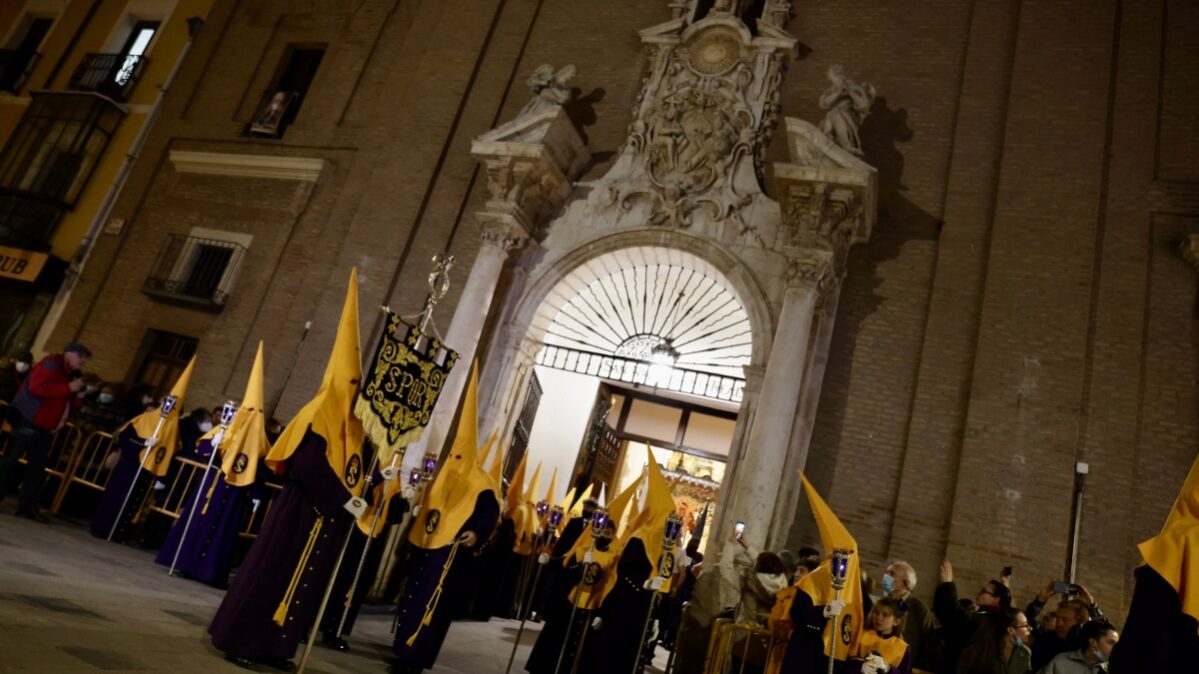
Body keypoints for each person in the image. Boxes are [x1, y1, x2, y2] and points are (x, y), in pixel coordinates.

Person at [0, 343, 89, 521]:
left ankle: (27, 507)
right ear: (69, 354)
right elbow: (36, 387)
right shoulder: (51, 364)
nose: (83, 361)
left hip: (45, 426)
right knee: (10, 459)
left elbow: (66, 407)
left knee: (37, 468)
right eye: (81, 356)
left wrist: (78, 397)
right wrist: (68, 389)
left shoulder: (69, 375)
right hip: (29, 418)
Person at [526, 519, 621, 674]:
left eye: (608, 533)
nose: (604, 535)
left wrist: (603, 611)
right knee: (557, 640)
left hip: (592, 605)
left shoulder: (614, 558)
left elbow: (611, 585)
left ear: (613, 536)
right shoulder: (583, 550)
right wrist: (549, 560)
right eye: (602, 531)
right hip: (571, 600)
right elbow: (564, 564)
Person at [932, 560, 1012, 674]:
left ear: (996, 600)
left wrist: (947, 583)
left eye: (984, 591)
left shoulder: (985, 620)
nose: (979, 592)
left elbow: (953, 615)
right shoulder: (993, 620)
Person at [729, 536, 790, 674]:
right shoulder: (783, 583)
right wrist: (748, 546)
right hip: (766, 643)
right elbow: (765, 567)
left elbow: (725, 572)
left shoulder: (750, 582)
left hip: (744, 638)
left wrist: (729, 545)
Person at [879, 561, 939, 671]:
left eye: (892, 574)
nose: (885, 576)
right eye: (886, 572)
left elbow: (928, 646)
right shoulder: (882, 603)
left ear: (905, 583)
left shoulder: (919, 609)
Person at [844, 597, 912, 674]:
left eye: (885, 615)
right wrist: (860, 666)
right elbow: (846, 662)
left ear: (896, 621)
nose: (878, 618)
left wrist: (888, 669)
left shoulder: (902, 648)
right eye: (876, 613)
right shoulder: (862, 635)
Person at [955, 607, 1031, 674]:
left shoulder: (1024, 653)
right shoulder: (983, 651)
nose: (1030, 629)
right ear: (1011, 630)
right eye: (1025, 625)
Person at [1039, 620, 1118, 674]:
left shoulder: (1112, 669)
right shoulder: (1061, 661)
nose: (1116, 648)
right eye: (1110, 643)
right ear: (1093, 642)